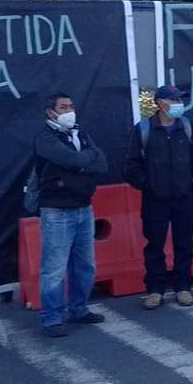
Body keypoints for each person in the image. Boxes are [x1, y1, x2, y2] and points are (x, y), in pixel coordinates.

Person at [123, 84, 193, 310]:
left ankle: (183, 287)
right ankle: (155, 290)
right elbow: (131, 165)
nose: (179, 104)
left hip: (183, 197)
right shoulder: (144, 130)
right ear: (160, 103)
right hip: (154, 199)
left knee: (184, 243)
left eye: (180, 100)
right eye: (174, 100)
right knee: (154, 244)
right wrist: (149, 186)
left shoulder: (186, 127)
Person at [34, 91, 109, 336]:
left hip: (84, 209)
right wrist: (83, 161)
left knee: (85, 265)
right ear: (51, 112)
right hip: (57, 212)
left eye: (71, 106)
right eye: (64, 107)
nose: (69, 110)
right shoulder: (44, 138)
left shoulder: (81, 134)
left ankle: (79, 309)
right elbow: (69, 160)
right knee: (54, 268)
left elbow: (102, 163)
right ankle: (52, 318)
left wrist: (81, 161)